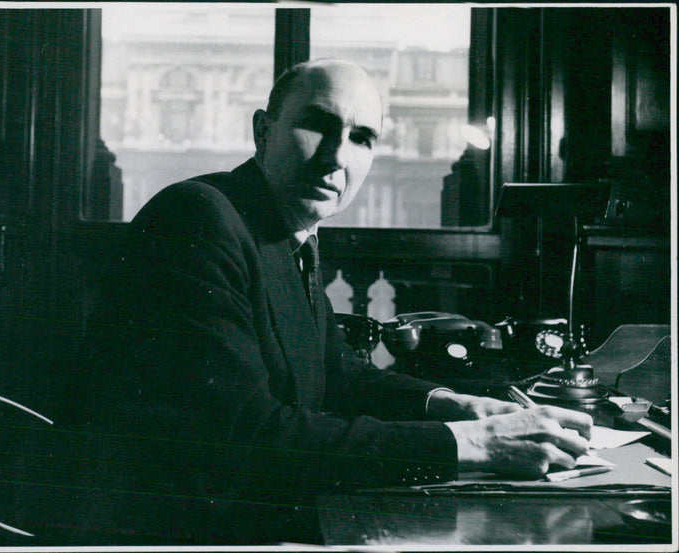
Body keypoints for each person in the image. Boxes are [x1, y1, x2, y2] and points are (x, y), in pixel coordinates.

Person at [82, 59, 593, 545]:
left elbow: (338, 375)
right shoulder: (198, 217)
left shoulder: (286, 230)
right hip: (171, 533)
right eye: (317, 125)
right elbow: (242, 438)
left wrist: (458, 405)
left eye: (361, 138)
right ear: (263, 130)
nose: (337, 156)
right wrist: (477, 444)